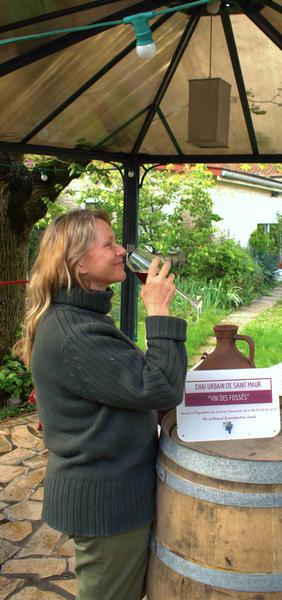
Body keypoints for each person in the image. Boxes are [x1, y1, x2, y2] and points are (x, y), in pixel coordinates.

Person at [15, 209, 188, 600]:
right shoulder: (75, 332)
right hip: (107, 500)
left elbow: (132, 383)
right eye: (108, 244)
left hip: (114, 491)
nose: (121, 251)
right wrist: (159, 312)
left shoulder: (80, 317)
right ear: (79, 265)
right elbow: (159, 387)